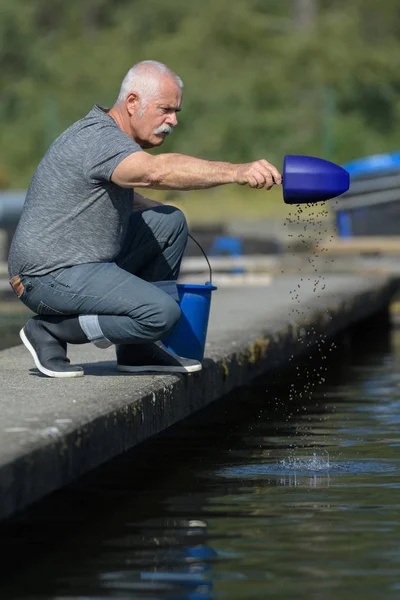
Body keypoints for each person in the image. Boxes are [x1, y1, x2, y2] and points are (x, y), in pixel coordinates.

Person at [8, 60, 282, 378]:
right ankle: (52, 331)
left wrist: (137, 201)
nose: (173, 121)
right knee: (160, 313)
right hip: (44, 276)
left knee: (168, 221)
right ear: (133, 102)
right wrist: (236, 171)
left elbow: (96, 189)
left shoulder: (110, 138)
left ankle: (136, 350)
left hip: (86, 262)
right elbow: (155, 172)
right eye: (165, 109)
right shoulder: (100, 139)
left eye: (176, 111)